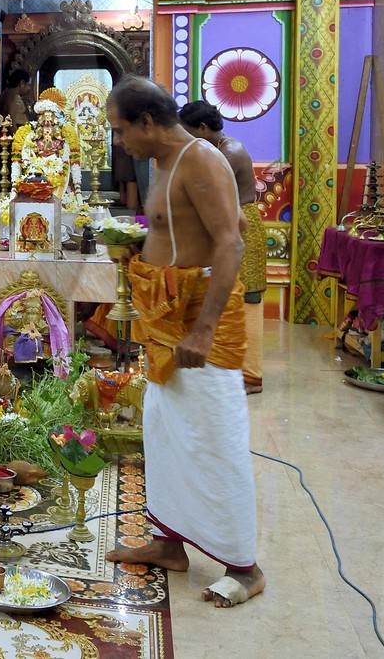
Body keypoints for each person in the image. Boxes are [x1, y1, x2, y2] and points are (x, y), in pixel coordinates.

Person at [104, 77, 264, 609]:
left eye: (121, 129)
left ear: (147, 122)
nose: (119, 141)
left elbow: (231, 241)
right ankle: (169, 544)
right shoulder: (165, 164)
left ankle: (245, 565)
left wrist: (203, 328)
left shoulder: (201, 160)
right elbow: (181, 224)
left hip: (198, 324)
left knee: (214, 436)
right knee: (166, 431)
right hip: (164, 317)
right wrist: (138, 243)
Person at [179, 100, 266, 394]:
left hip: (243, 228)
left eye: (189, 133)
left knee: (249, 297)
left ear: (203, 128)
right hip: (227, 226)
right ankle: (230, 366)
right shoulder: (215, 149)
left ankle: (252, 375)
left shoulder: (228, 152)